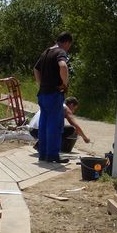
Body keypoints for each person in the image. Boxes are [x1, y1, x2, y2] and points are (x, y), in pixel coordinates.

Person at [33, 32, 72, 163]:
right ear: (67, 42)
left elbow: (36, 69)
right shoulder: (60, 52)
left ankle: (43, 154)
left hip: (43, 93)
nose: (68, 49)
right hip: (54, 94)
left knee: (44, 124)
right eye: (69, 46)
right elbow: (63, 66)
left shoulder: (46, 52)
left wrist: (41, 83)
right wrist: (64, 84)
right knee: (54, 125)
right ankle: (53, 155)